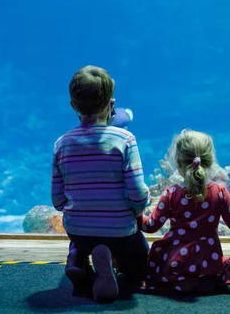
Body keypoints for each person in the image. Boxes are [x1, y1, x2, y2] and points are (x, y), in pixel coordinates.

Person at [51, 65, 151, 303]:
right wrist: (136, 209)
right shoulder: (125, 140)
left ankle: (78, 258)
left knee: (82, 238)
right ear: (111, 104)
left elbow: (57, 201)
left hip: (79, 229)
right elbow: (137, 193)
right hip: (121, 231)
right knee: (140, 266)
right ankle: (119, 264)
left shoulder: (61, 144)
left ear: (73, 106)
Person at [140, 129, 230, 294]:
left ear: (178, 163)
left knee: (154, 263)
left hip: (176, 262)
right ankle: (216, 279)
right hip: (209, 261)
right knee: (227, 263)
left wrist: (134, 213)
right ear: (210, 161)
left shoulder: (171, 194)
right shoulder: (220, 192)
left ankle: (183, 281)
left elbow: (150, 226)